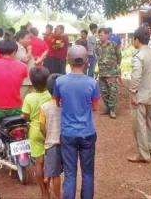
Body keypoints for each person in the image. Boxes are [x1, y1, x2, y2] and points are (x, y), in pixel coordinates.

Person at [53, 45, 100, 199]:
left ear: (68, 60)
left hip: (67, 133)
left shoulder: (60, 81)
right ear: (86, 61)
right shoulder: (92, 83)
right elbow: (95, 105)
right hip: (87, 132)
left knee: (70, 174)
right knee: (88, 172)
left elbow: (56, 102)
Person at [127, 27, 151, 163]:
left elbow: (136, 77)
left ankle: (143, 154)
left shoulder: (139, 55)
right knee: (149, 122)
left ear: (137, 40)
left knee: (139, 125)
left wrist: (133, 93)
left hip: (140, 96)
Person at [22, 67, 51, 197]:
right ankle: (49, 183)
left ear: (32, 82)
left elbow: (26, 116)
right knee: (51, 159)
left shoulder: (29, 97)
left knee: (39, 162)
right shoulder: (51, 95)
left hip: (35, 130)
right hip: (50, 130)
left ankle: (43, 192)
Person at [40, 73, 62, 199]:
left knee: (55, 174)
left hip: (51, 143)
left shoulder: (44, 107)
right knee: (60, 172)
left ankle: (55, 194)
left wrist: (46, 135)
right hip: (65, 142)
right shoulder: (65, 106)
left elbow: (42, 126)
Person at [96, 28, 122, 119]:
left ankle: (112, 110)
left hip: (111, 73)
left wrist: (115, 66)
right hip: (102, 73)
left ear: (107, 35)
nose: (100, 37)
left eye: (101, 35)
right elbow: (97, 56)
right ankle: (107, 107)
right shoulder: (97, 45)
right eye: (99, 35)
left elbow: (119, 56)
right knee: (104, 92)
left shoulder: (113, 45)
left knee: (112, 92)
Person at [15, 30, 34, 99]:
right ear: (20, 39)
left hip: (28, 79)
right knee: (21, 100)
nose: (29, 40)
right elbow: (25, 60)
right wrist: (30, 50)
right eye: (27, 38)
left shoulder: (23, 47)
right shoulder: (17, 47)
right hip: (23, 81)